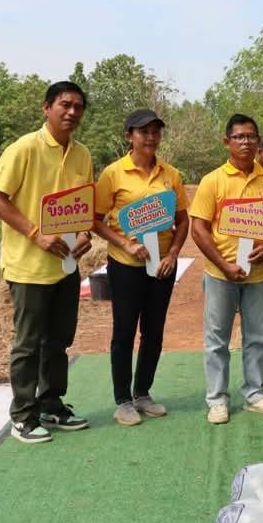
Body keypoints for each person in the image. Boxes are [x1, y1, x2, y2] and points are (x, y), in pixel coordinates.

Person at [0, 81, 94, 444]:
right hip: (28, 266)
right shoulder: (24, 148)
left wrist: (84, 234)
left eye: (78, 107)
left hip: (65, 266)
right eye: (65, 104)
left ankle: (51, 405)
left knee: (58, 341)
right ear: (47, 108)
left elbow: (83, 206)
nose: (72, 112)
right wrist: (35, 234)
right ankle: (23, 416)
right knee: (28, 344)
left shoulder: (82, 155)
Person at [93, 109, 190, 426]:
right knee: (124, 331)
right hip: (125, 265)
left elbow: (182, 220)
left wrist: (173, 254)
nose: (150, 137)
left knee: (154, 332)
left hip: (162, 267)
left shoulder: (170, 174)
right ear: (129, 136)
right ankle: (122, 400)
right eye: (143, 131)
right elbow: (96, 220)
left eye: (155, 131)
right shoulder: (113, 174)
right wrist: (125, 244)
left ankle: (143, 393)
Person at [190, 114, 263, 424]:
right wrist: (224, 264)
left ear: (258, 141)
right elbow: (198, 229)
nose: (246, 142)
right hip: (220, 274)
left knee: (256, 337)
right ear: (227, 141)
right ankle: (217, 399)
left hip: (258, 275)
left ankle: (255, 394)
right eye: (239, 137)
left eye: (251, 136)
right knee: (217, 339)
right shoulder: (213, 180)